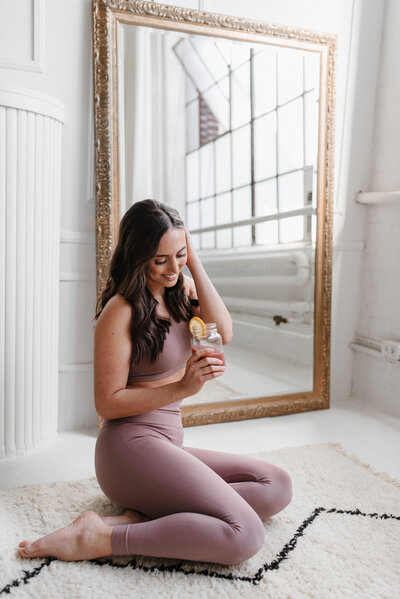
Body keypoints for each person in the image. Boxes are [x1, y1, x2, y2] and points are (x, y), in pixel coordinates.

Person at [18, 199, 292, 564]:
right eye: (160, 259)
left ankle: (143, 517)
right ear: (137, 255)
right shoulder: (122, 310)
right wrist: (181, 388)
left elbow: (223, 332)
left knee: (276, 486)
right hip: (127, 452)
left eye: (179, 255)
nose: (171, 268)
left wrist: (192, 261)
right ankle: (103, 538)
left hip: (167, 446)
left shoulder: (182, 290)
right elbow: (108, 403)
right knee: (244, 535)